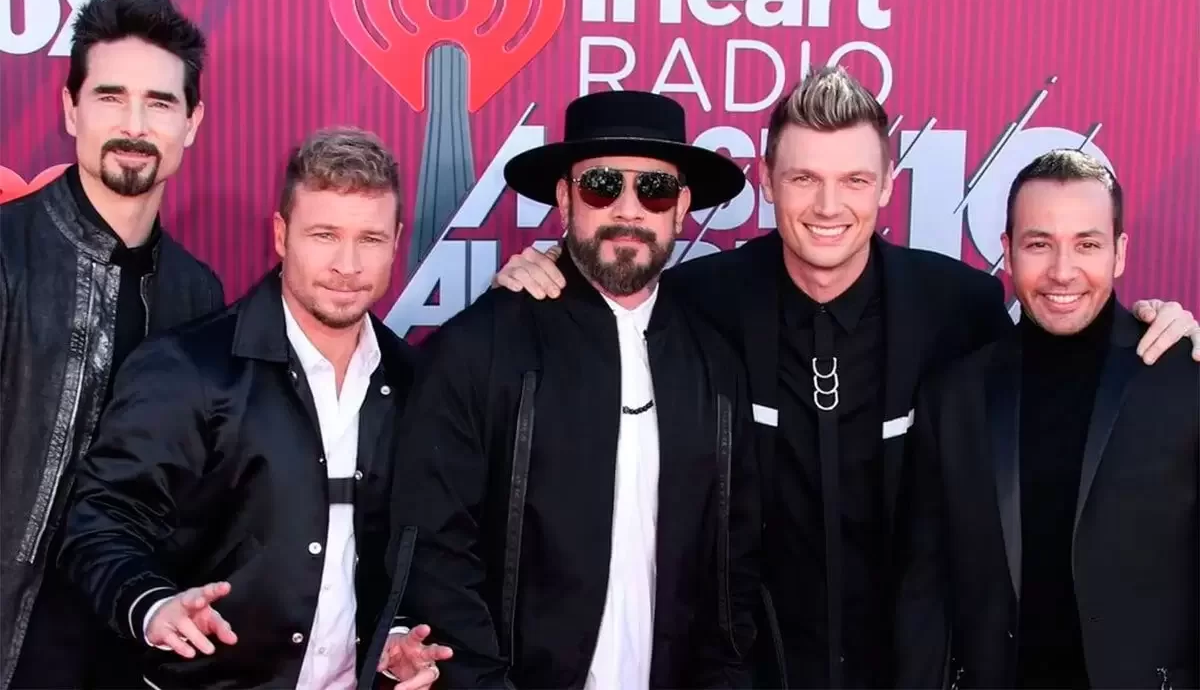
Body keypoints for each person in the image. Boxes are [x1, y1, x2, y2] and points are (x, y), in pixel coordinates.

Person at [491, 67, 1200, 688]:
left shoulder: (960, 309)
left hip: (907, 669)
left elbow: (1060, 367)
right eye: (804, 178)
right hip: (744, 672)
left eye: (854, 179)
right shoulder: (698, 303)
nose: (829, 207)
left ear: (888, 182)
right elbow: (611, 294)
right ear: (767, 180)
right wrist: (550, 273)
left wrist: (1164, 332)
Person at [390, 90, 762, 688]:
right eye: (602, 186)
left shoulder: (715, 364)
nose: (629, 210)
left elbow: (734, 564)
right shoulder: (480, 347)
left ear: (681, 208)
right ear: (565, 199)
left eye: (655, 190)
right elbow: (435, 551)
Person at [58, 128, 447, 690]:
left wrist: (395, 636)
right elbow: (101, 521)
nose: (347, 264)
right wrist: (153, 605)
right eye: (324, 235)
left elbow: (415, 545)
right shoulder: (187, 366)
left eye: (370, 238)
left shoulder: (414, 381)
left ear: (397, 242)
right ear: (282, 235)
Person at [895, 149, 1199, 689]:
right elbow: (925, 588)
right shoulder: (955, 396)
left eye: (1087, 244)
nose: (1062, 271)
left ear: (1120, 252)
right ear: (1008, 251)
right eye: (1039, 244)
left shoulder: (1183, 379)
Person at [0, 0, 225, 688]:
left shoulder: (198, 293)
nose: (134, 125)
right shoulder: (6, 255)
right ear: (71, 109)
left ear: (191, 122)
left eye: (159, 103)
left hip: (137, 644)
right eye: (110, 97)